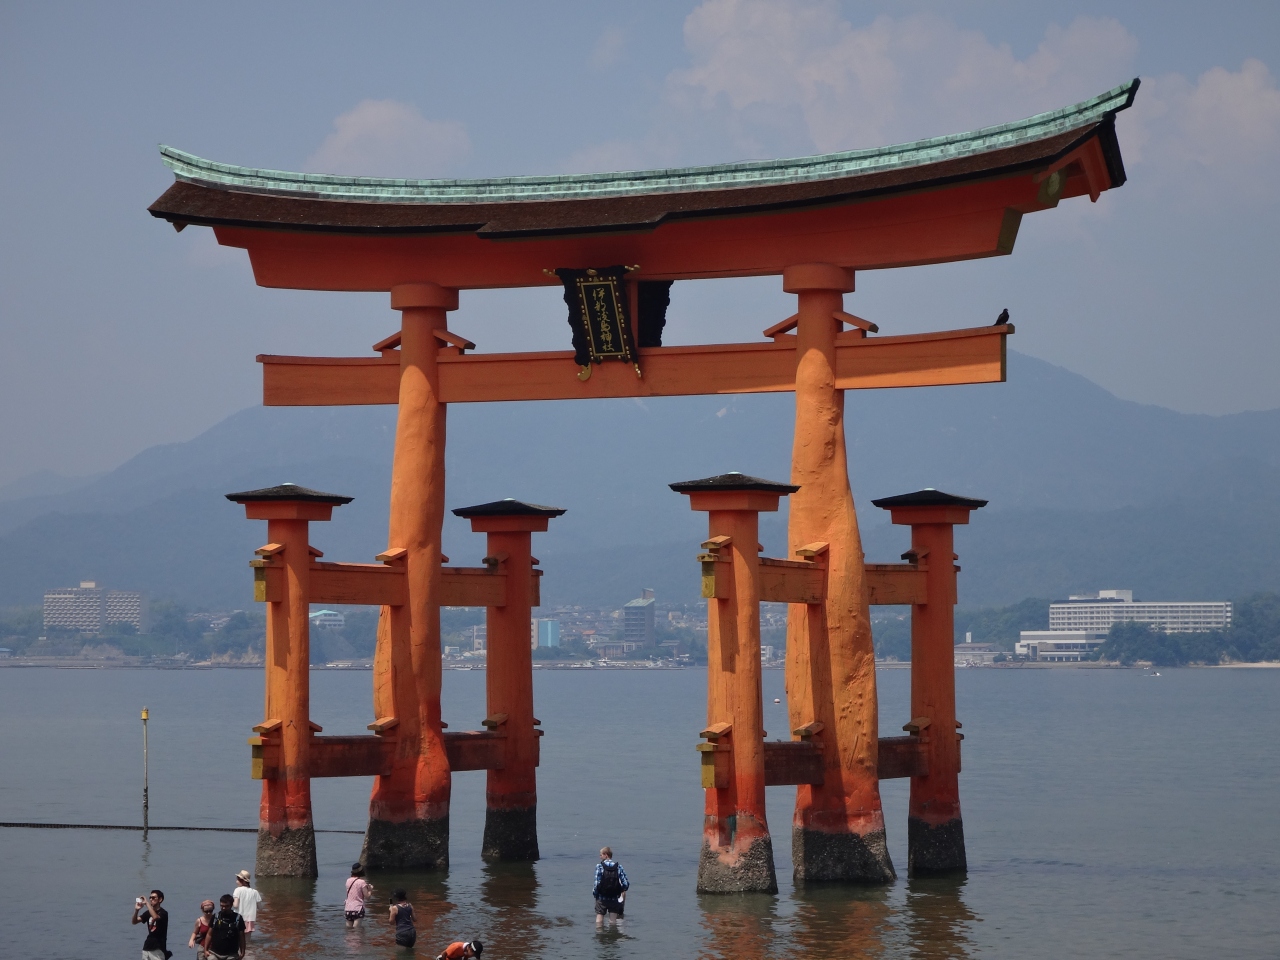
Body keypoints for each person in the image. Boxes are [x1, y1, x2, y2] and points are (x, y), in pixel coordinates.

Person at [592, 846, 630, 927]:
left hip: (602, 897)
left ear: (606, 855)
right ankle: (612, 936)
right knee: (613, 921)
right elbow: (626, 884)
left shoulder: (599, 866)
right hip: (614, 897)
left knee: (599, 920)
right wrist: (620, 891)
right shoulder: (619, 867)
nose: (600, 857)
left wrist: (595, 894)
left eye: (601, 855)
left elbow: (596, 883)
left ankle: (600, 936)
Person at [203, 894, 246, 960]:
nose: (223, 908)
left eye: (226, 906)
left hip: (231, 954)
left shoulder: (238, 918)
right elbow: (209, 934)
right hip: (214, 953)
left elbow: (241, 937)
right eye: (222, 906)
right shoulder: (215, 917)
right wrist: (205, 950)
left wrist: (243, 952)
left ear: (231, 905)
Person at [131, 888, 169, 960]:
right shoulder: (148, 913)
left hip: (158, 948)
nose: (151, 899)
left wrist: (147, 904)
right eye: (150, 898)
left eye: (154, 898)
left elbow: (155, 917)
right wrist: (136, 910)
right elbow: (134, 921)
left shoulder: (163, 913)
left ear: (160, 900)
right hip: (147, 947)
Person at [231, 870, 262, 935]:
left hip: (238, 919)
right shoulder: (255, 892)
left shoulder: (237, 890)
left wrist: (231, 902)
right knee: (247, 942)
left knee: (237, 941)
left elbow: (236, 905)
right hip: (250, 920)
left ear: (241, 881)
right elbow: (260, 908)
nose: (236, 881)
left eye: (237, 879)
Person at [344, 862, 374, 927]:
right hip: (358, 908)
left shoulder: (348, 881)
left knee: (349, 931)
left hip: (348, 908)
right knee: (357, 931)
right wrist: (370, 890)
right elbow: (367, 897)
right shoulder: (362, 882)